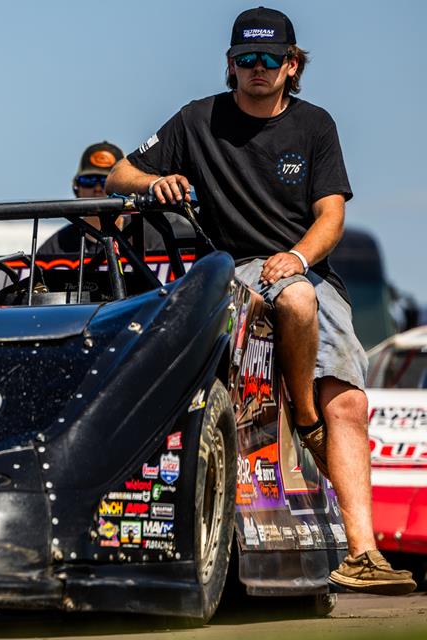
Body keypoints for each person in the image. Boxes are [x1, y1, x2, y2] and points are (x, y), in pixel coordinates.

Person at [104, 7, 416, 595]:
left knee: (347, 402)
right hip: (234, 271)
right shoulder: (196, 120)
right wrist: (156, 183)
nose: (257, 68)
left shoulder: (316, 125)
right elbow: (119, 174)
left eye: (270, 59)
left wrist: (298, 256)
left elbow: (332, 216)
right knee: (295, 303)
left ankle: (363, 556)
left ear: (292, 65)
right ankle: (302, 417)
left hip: (304, 264)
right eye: (245, 59)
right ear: (229, 65)